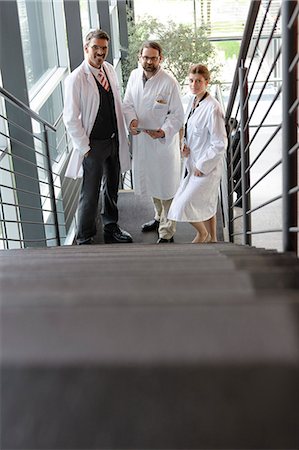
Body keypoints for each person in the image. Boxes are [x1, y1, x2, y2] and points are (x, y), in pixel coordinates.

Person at [63, 29, 133, 245]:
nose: (100, 52)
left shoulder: (109, 70)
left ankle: (111, 226)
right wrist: (85, 147)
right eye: (96, 48)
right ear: (86, 48)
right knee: (90, 193)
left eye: (104, 48)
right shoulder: (76, 79)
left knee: (112, 187)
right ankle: (85, 236)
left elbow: (116, 104)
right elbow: (70, 118)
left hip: (113, 139)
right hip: (93, 145)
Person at [123, 41, 184, 243]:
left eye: (153, 58)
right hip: (142, 140)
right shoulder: (134, 76)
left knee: (166, 188)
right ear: (140, 57)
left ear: (161, 59)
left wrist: (163, 131)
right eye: (145, 57)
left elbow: (177, 116)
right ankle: (158, 218)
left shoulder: (169, 82)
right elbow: (128, 103)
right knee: (151, 183)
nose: (149, 61)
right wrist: (131, 120)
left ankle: (167, 232)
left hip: (161, 144)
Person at [168, 64, 227, 243]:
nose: (194, 85)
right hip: (192, 163)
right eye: (191, 81)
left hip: (206, 167)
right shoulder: (193, 102)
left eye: (199, 81)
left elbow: (219, 143)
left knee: (182, 205)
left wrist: (202, 165)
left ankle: (203, 234)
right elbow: (189, 129)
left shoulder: (213, 108)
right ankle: (213, 240)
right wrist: (183, 145)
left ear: (207, 82)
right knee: (207, 204)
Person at [228, 118, 242, 207]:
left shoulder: (236, 136)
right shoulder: (236, 135)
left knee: (237, 182)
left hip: (237, 163)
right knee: (238, 182)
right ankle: (239, 199)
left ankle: (240, 200)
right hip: (236, 162)